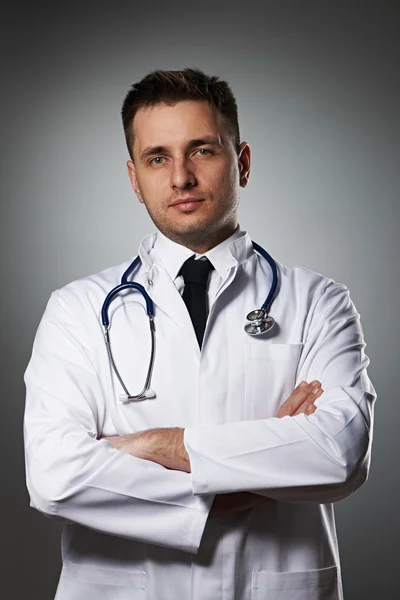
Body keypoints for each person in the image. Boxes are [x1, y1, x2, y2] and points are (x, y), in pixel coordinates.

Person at [23, 67, 376, 600]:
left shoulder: (318, 302)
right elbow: (54, 475)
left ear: (244, 163)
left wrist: (152, 445)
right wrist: (259, 471)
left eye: (203, 151)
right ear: (134, 178)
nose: (181, 177)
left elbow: (340, 454)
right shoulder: (76, 309)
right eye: (157, 158)